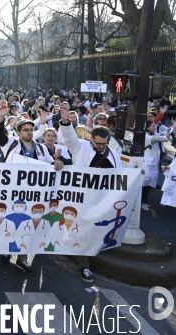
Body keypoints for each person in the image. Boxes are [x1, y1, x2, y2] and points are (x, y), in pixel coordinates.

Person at [58, 102, 122, 282]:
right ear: (91, 140)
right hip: (80, 198)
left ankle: (84, 262)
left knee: (92, 231)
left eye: (103, 144)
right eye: (97, 143)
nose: (100, 146)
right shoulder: (81, 148)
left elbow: (120, 176)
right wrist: (65, 121)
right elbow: (70, 138)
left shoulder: (114, 156)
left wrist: (136, 175)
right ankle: (81, 262)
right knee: (76, 227)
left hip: (100, 200)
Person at [141, 120, 169, 212]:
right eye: (152, 126)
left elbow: (159, 134)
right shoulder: (145, 136)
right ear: (147, 127)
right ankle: (142, 203)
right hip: (146, 163)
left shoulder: (153, 134)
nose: (154, 127)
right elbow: (156, 139)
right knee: (144, 184)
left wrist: (167, 131)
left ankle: (143, 202)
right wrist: (165, 136)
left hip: (153, 164)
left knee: (149, 184)